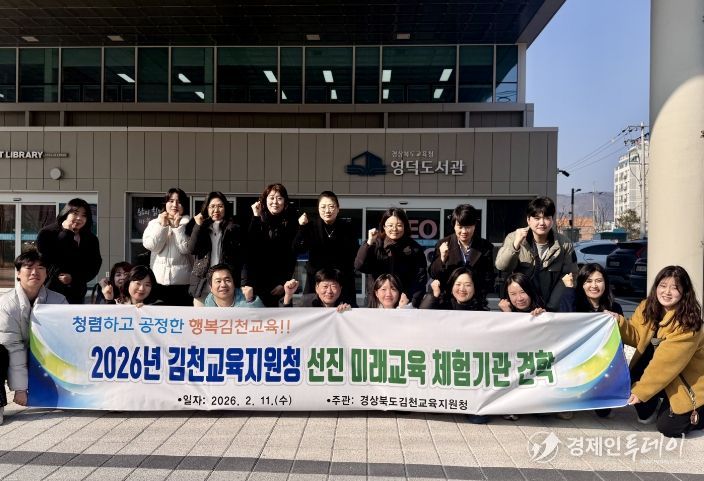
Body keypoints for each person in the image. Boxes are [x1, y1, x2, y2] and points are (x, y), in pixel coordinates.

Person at [617, 265, 704, 438]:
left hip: (686, 380)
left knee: (669, 427)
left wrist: (641, 391)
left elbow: (666, 363)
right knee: (634, 368)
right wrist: (618, 322)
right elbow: (637, 336)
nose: (667, 292)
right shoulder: (647, 306)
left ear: (684, 292)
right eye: (663, 286)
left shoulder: (688, 323)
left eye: (675, 288)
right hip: (661, 375)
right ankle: (651, 405)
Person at [0, 250, 68, 424]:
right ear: (18, 273)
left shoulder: (58, 301)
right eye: (28, 267)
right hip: (11, 356)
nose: (34, 272)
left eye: (40, 268)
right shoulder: (6, 304)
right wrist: (20, 389)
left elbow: (66, 340)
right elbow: (14, 347)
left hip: (46, 357)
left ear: (46, 273)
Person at [495, 196, 577, 311]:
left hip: (550, 309)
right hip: (519, 307)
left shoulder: (564, 244)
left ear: (552, 220)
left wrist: (550, 307)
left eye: (547, 218)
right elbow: (502, 266)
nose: (542, 223)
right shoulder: (514, 237)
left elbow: (569, 277)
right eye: (537, 218)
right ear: (528, 220)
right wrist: (516, 245)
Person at [294, 191, 358, 306]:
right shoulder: (311, 227)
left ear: (338, 208)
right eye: (323, 207)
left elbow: (354, 254)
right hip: (316, 279)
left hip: (341, 280)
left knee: (345, 311)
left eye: (331, 206)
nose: (327, 210)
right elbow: (298, 249)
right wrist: (302, 228)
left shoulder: (348, 228)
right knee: (311, 310)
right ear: (318, 209)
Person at [355, 208, 427, 307]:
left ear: (405, 226)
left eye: (399, 225)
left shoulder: (415, 249)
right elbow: (359, 266)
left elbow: (420, 279)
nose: (394, 229)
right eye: (390, 225)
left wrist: (411, 302)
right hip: (376, 302)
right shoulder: (375, 244)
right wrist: (369, 243)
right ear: (384, 227)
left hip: (404, 303)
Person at [36, 198, 102, 304]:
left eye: (84, 215)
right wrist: (67, 233)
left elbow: (94, 265)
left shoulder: (91, 238)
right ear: (66, 213)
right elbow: (47, 260)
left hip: (77, 293)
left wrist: (74, 278)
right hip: (50, 291)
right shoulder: (47, 233)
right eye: (75, 213)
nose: (79, 218)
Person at [428, 204, 494, 308]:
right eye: (460, 227)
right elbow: (433, 274)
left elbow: (488, 278)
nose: (464, 231)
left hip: (475, 303)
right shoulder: (443, 243)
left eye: (468, 227)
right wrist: (442, 259)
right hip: (447, 302)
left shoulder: (485, 246)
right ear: (454, 226)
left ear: (474, 226)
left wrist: (476, 294)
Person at [244, 183, 299, 307]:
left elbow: (291, 256)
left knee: (281, 318)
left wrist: (283, 282)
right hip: (256, 284)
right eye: (271, 198)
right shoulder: (256, 219)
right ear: (265, 200)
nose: (275, 202)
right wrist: (256, 216)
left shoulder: (291, 223)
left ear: (285, 201)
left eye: (279, 198)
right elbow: (249, 248)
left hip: (279, 286)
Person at [186, 192, 246, 306]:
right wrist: (198, 226)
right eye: (212, 206)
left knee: (225, 316)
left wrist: (244, 283)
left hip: (225, 287)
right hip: (202, 285)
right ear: (206, 208)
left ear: (225, 208)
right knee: (201, 316)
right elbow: (191, 249)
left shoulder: (234, 229)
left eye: (220, 206)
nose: (216, 210)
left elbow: (242, 258)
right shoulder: (200, 227)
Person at [142, 188, 192, 306]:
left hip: (183, 283)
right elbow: (152, 246)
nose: (175, 205)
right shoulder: (154, 223)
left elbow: (186, 249)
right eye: (171, 201)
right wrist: (162, 226)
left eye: (179, 202)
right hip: (158, 281)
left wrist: (177, 228)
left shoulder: (190, 223)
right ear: (165, 203)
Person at [281, 268, 351, 312]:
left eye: (333, 287)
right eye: (325, 286)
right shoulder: (306, 302)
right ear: (317, 288)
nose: (329, 291)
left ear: (340, 289)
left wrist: (348, 313)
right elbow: (289, 319)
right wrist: (288, 295)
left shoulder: (347, 303)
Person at [420, 267, 486, 311]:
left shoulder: (482, 313)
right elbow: (423, 315)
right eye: (458, 284)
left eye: (467, 285)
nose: (462, 289)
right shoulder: (443, 306)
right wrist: (434, 295)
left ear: (475, 288)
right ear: (451, 287)